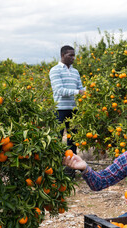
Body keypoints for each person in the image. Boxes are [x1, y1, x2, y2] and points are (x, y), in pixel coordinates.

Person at [50, 45, 85, 177]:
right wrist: (79, 92)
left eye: (74, 55)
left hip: (73, 110)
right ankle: (56, 170)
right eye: (70, 55)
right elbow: (59, 90)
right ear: (63, 55)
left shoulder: (75, 72)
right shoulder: (55, 70)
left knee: (73, 141)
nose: (73, 58)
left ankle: (70, 172)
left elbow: (81, 87)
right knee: (57, 140)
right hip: (59, 109)